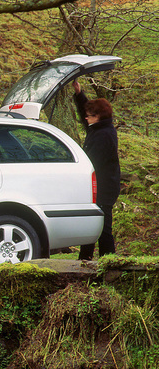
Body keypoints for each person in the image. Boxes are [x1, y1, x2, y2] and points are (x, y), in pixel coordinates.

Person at [72, 79, 120, 260]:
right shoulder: (99, 128)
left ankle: (109, 260)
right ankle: (85, 259)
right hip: (98, 186)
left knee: (102, 225)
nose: (86, 118)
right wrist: (79, 94)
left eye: (90, 115)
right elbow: (85, 111)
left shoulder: (104, 135)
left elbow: (93, 162)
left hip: (104, 187)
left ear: (99, 116)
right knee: (92, 223)